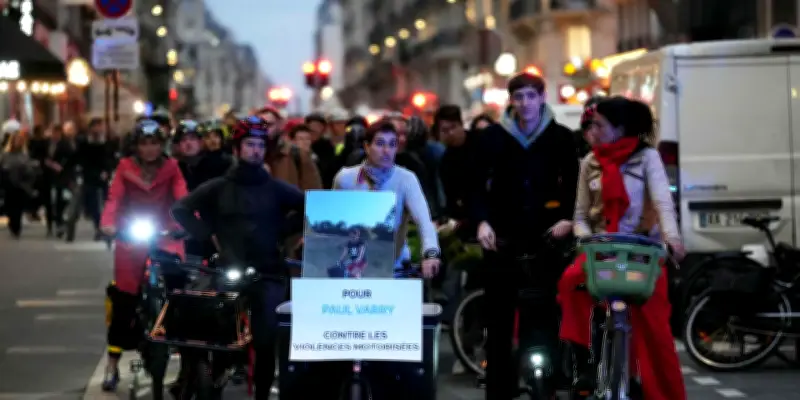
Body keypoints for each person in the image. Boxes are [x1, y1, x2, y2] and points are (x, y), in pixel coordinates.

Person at [558, 97, 686, 400]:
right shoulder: (589, 163)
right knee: (569, 283)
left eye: (599, 125)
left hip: (642, 252)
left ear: (619, 128)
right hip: (601, 251)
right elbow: (580, 216)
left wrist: (672, 238)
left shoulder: (647, 158)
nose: (592, 131)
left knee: (656, 329)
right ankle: (584, 362)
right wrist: (586, 240)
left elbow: (662, 203)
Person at [170, 116, 305, 399]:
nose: (255, 150)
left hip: (268, 272)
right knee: (218, 336)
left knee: (266, 341)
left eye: (260, 145)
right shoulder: (219, 186)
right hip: (228, 270)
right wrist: (207, 234)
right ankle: (213, 379)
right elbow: (181, 209)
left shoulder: (276, 188)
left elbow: (311, 208)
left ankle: (262, 394)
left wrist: (283, 231)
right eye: (249, 144)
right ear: (236, 149)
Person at [471, 71, 578, 399]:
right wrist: (481, 222)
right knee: (498, 320)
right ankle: (499, 390)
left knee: (543, 316)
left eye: (531, 96)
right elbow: (475, 185)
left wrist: (567, 218)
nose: (525, 103)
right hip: (501, 238)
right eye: (519, 97)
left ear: (542, 97)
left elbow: (573, 185)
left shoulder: (561, 137)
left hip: (545, 239)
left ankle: (544, 385)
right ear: (511, 100)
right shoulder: (492, 137)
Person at [99, 120, 188, 391]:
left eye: (154, 143)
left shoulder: (172, 167)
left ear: (162, 146)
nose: (149, 149)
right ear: (135, 146)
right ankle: (112, 364)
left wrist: (187, 223)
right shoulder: (125, 167)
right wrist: (108, 223)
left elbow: (182, 197)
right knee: (124, 300)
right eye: (144, 144)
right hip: (131, 235)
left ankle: (187, 363)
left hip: (165, 234)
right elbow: (114, 198)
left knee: (180, 292)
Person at [332, 120, 440, 276]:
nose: (386, 150)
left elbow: (424, 221)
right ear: (366, 146)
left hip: (395, 266)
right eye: (380, 143)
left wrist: (431, 253)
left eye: (392, 144)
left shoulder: (406, 179)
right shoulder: (345, 178)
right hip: (352, 265)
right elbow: (333, 222)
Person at [69, 118, 113, 240]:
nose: (99, 129)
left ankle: (105, 227)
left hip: (103, 177)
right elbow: (79, 159)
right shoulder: (84, 143)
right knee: (93, 204)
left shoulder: (107, 142)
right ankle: (98, 227)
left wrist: (107, 172)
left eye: (100, 126)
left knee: (106, 202)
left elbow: (110, 159)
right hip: (89, 177)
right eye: (96, 126)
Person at [0, 130, 38, 238]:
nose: (18, 142)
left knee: (19, 206)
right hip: (8, 184)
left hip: (21, 184)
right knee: (9, 206)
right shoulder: (5, 155)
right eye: (16, 140)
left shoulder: (24, 155)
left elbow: (29, 168)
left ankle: (17, 226)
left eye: (20, 141)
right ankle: (12, 222)